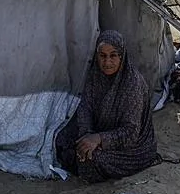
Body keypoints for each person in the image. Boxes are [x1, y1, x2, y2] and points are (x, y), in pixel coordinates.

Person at [58, 30, 164, 183]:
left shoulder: (131, 84)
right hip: (100, 132)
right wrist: (86, 136)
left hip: (132, 148)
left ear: (122, 56)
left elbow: (131, 133)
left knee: (92, 158)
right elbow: (85, 108)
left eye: (113, 56)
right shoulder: (95, 75)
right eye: (102, 56)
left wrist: (99, 139)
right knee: (63, 139)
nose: (107, 62)